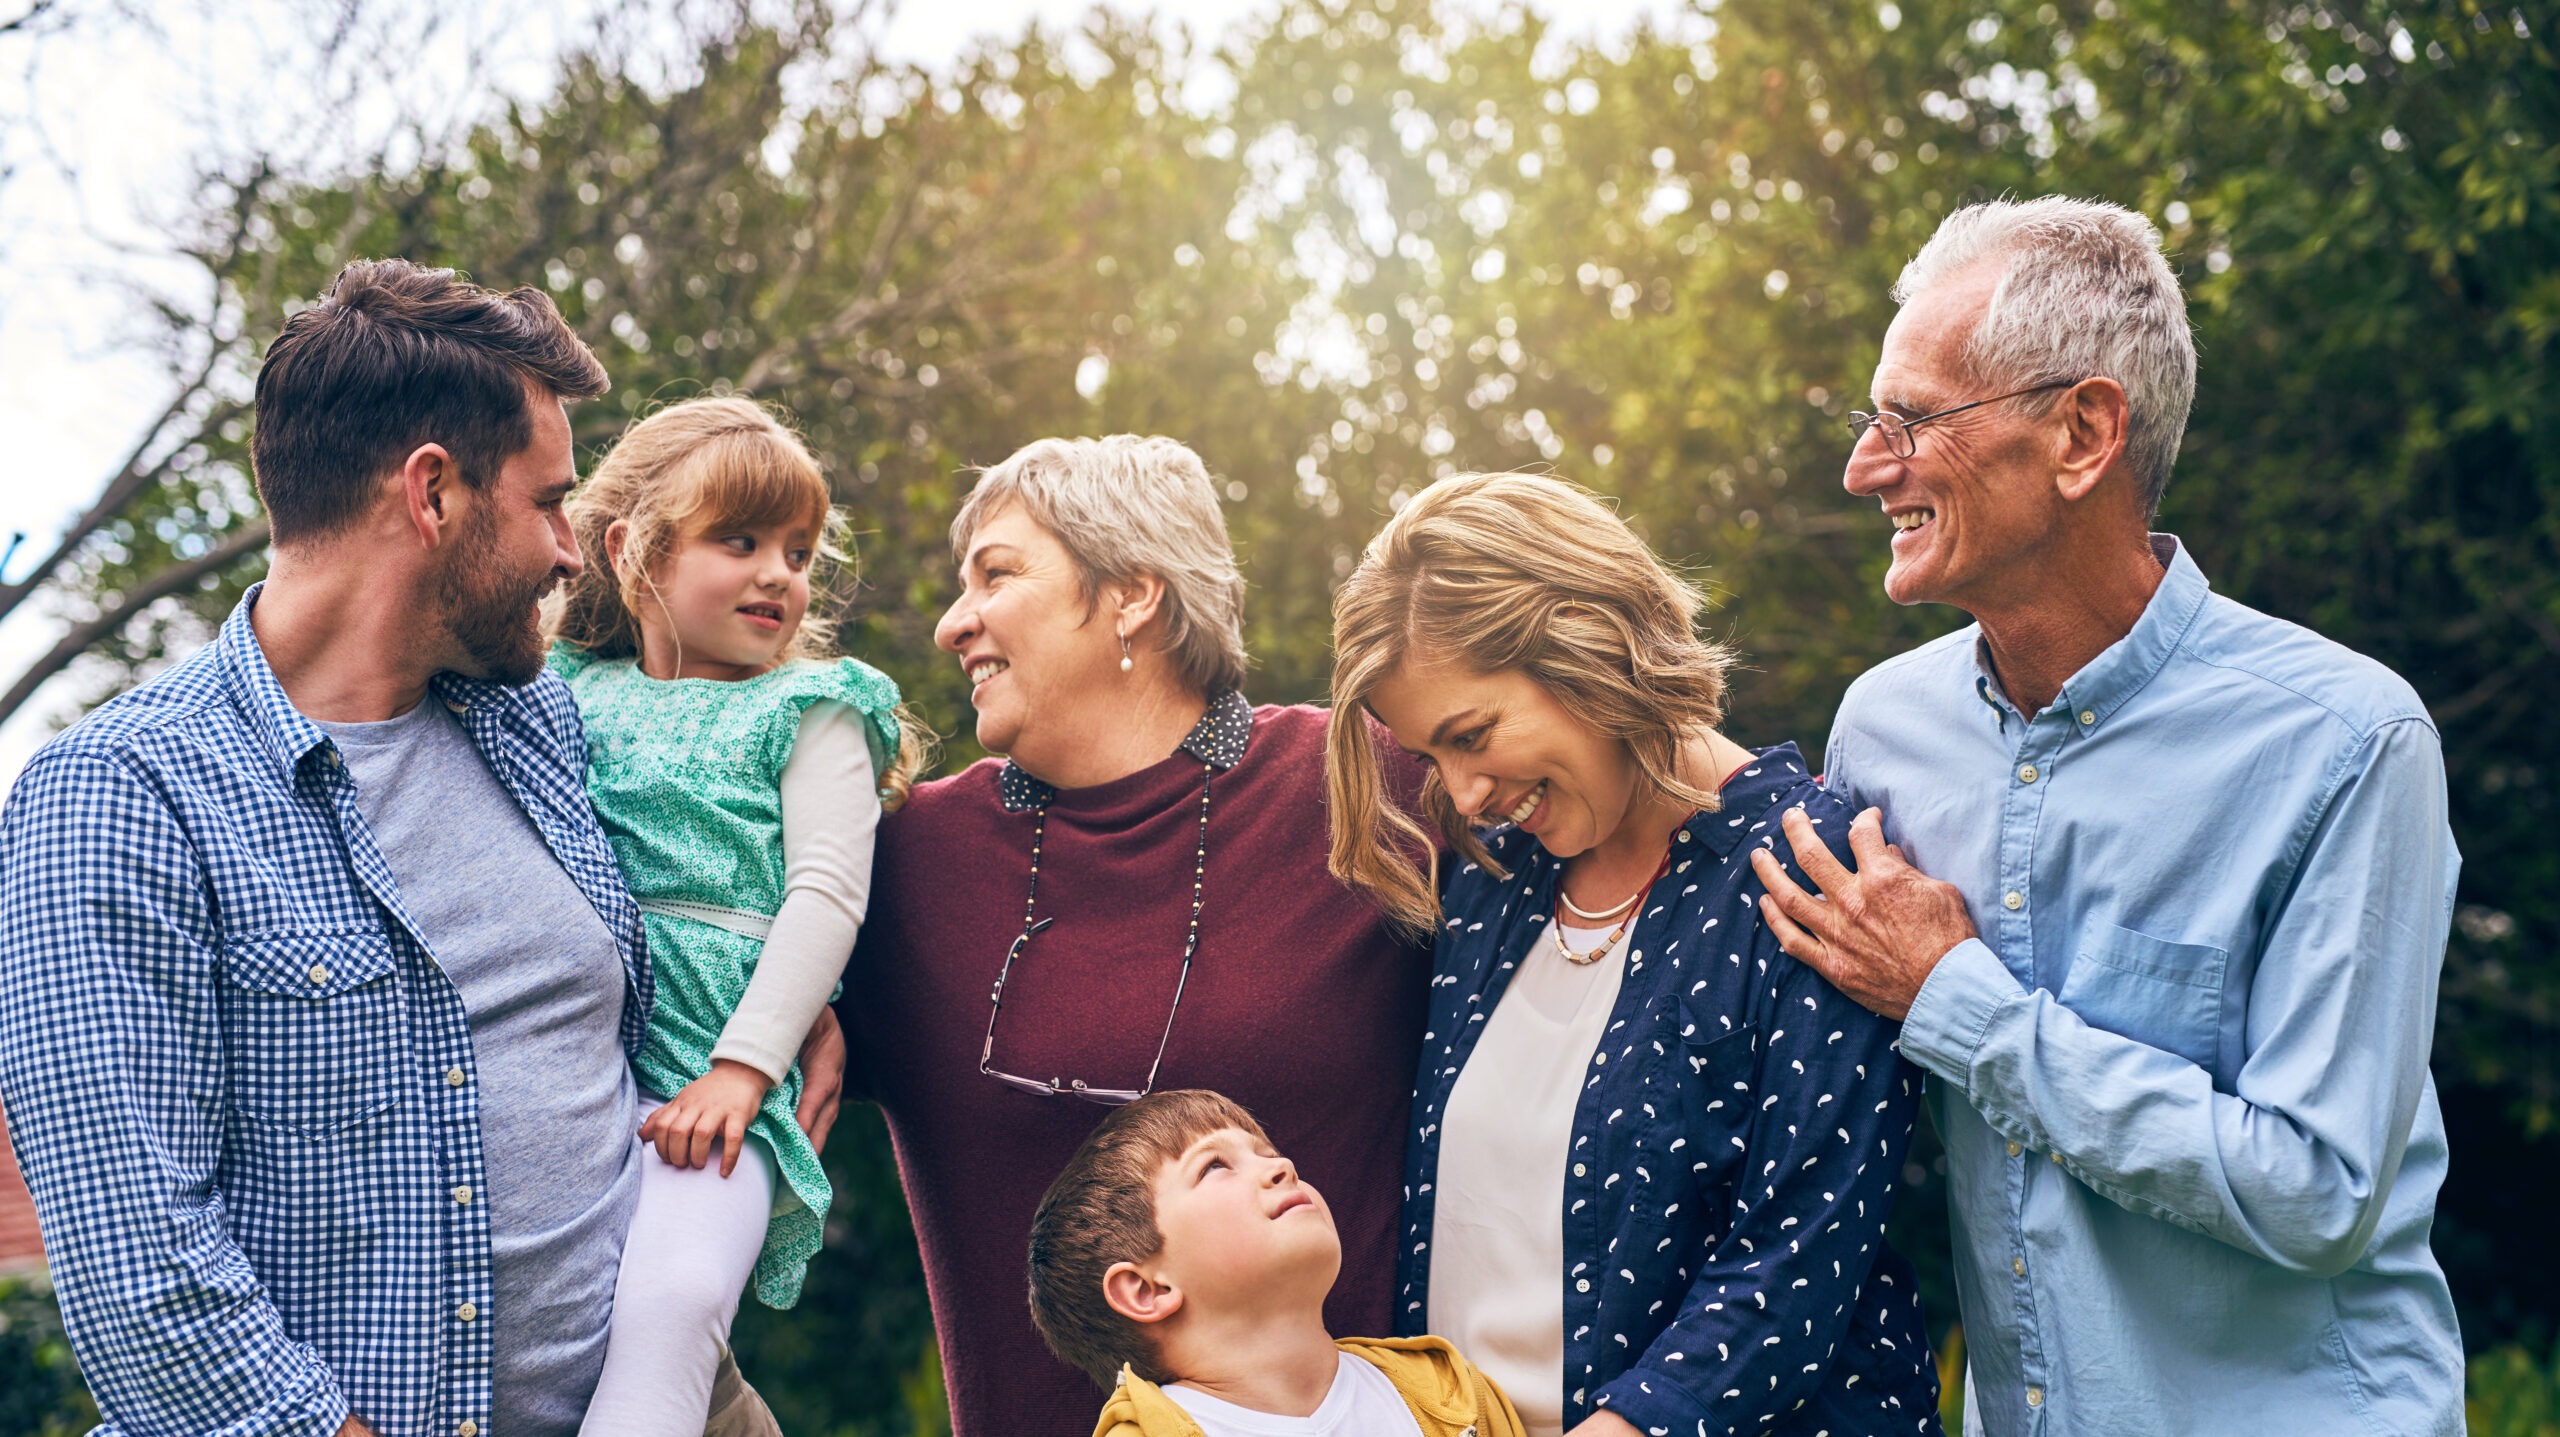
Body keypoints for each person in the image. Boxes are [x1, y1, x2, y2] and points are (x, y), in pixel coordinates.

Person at [0, 259, 818, 1437]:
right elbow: (143, 1267)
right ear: (431, 494)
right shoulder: (123, 798)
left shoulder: (536, 722)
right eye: (547, 503)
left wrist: (786, 1012)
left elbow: (714, 882)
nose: (569, 553)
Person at [1749, 196, 2465, 1436]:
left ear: (2081, 433)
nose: (1867, 464)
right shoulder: (1880, 731)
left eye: (1913, 417)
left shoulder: (2348, 743)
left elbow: (2319, 1191)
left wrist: (1955, 1001)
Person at [836, 435, 1432, 1436]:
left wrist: (1785, 858)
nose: (951, 624)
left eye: (996, 575)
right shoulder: (898, 862)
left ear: (1132, 594)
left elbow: (1610, 842)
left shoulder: (1363, 789)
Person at [1326, 472, 1939, 1437]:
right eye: (1430, 757)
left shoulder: (1807, 869)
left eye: (1472, 735)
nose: (1464, 792)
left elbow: (1797, 1262)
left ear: (1587, 642)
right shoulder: (1489, 884)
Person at [545, 396, 925, 1434]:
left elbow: (826, 894)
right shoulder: (566, 692)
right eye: (739, 540)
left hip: (728, 1087)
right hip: (581, 1070)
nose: (779, 575)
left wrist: (745, 1067)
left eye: (799, 553)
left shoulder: (812, 711)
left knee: (675, 1304)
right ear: (633, 553)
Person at [1027, 1088, 1528, 1437]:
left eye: (1268, 1153)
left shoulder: (1451, 1393)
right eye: (1215, 1165)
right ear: (1147, 1290)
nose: (1281, 1167)